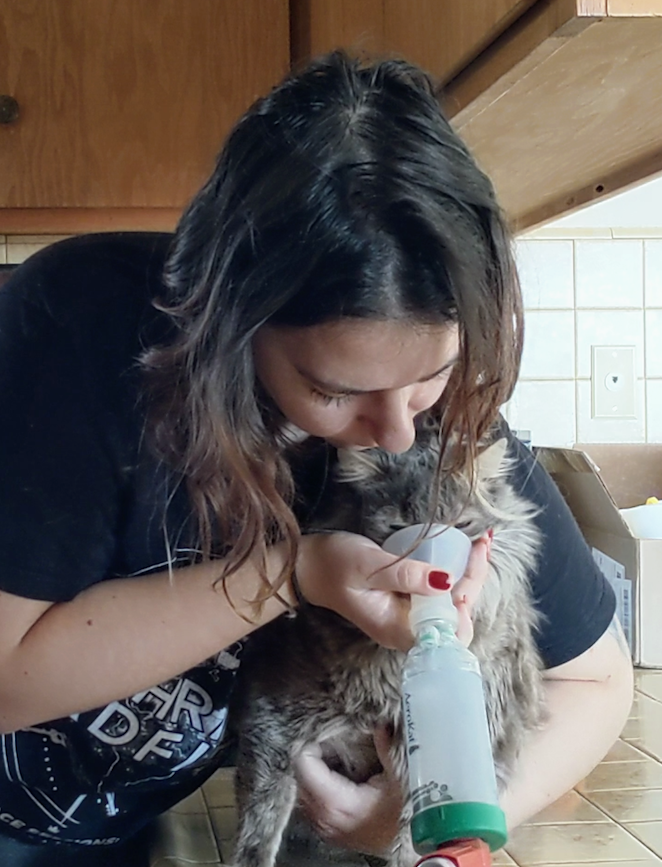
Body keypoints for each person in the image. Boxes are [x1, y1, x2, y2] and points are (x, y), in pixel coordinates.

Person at [0, 51, 632, 866]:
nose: (398, 431)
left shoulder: (435, 424)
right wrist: (297, 571)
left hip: (119, 817)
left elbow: (597, 682)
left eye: (431, 376)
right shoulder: (81, 325)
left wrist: (411, 820)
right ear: (236, 323)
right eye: (335, 390)